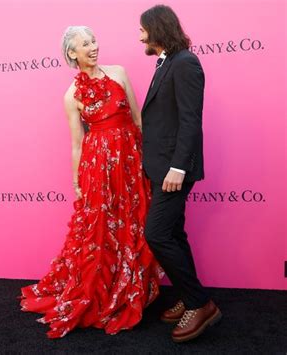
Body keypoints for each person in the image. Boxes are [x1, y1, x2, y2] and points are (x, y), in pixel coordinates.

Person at [20, 26, 164, 338]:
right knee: (101, 229)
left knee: (135, 222)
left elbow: (139, 120)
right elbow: (77, 143)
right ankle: (105, 291)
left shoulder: (119, 73)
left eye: (94, 41)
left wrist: (149, 161)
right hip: (98, 167)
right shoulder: (71, 95)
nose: (93, 47)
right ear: (72, 53)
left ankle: (136, 286)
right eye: (85, 44)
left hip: (130, 159)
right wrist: (77, 182)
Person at [139, 5, 222, 343]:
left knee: (157, 234)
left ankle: (201, 304)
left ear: (158, 29)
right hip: (161, 166)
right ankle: (191, 297)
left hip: (174, 168)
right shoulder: (167, 63)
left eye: (144, 29)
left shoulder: (185, 63)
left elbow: (191, 120)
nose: (140, 35)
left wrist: (178, 166)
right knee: (174, 234)